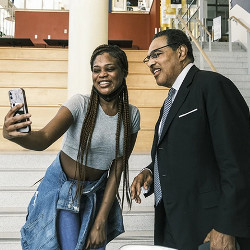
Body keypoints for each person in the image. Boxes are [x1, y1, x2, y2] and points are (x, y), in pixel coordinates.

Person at [3, 44, 140, 250]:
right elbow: (43, 139)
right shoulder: (79, 104)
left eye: (109, 68)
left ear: (124, 72)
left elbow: (117, 170)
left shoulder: (132, 116)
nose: (102, 74)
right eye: (96, 70)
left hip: (96, 192)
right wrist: (12, 135)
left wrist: (101, 220)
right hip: (63, 189)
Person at [131, 29, 250, 250]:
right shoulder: (170, 101)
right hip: (173, 224)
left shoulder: (213, 86)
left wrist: (226, 227)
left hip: (208, 228)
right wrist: (150, 170)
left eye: (157, 54)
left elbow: (238, 161)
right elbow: (183, 149)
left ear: (181, 52)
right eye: (148, 57)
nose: (150, 63)